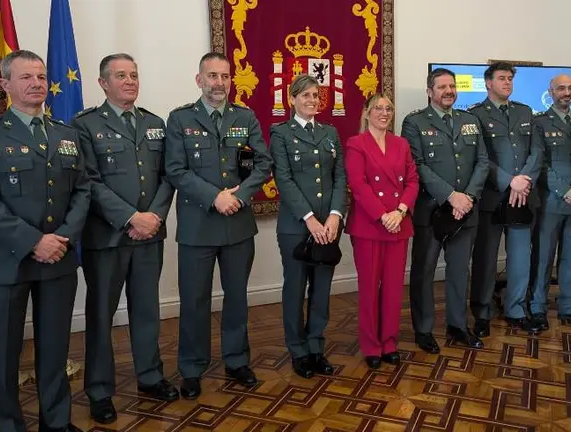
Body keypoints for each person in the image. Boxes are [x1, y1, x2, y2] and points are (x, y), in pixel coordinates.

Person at [0, 49, 89, 432]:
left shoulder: (66, 134)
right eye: (25, 77)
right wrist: (35, 241)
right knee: (3, 354)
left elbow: (83, 191)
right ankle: (8, 426)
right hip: (7, 262)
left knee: (55, 349)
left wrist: (62, 237)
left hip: (59, 259)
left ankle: (57, 421)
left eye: (40, 77)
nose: (36, 84)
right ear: (4, 84)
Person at [71, 53, 178, 424]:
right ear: (103, 83)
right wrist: (131, 217)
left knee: (147, 310)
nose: (130, 81)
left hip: (150, 234)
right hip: (107, 237)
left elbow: (168, 176)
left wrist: (154, 217)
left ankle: (150, 376)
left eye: (134, 74)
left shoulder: (154, 123)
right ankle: (100, 390)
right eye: (121, 75)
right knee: (101, 315)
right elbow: (88, 182)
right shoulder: (84, 125)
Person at [164, 52, 273, 398]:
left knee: (237, 298)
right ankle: (192, 368)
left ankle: (237, 360)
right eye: (212, 76)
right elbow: (176, 170)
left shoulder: (245, 117)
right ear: (199, 80)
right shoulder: (180, 119)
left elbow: (261, 163)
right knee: (194, 301)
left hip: (238, 226)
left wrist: (239, 196)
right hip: (198, 227)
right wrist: (215, 197)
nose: (219, 83)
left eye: (225, 77)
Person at [402, 68, 489, 351]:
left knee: (459, 271)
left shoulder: (470, 120)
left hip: (467, 211)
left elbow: (482, 162)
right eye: (442, 87)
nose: (449, 91)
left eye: (452, 86)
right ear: (430, 91)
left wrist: (468, 197)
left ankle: (457, 325)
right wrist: (451, 196)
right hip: (432, 211)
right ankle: (424, 329)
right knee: (424, 272)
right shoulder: (414, 122)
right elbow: (416, 165)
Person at [269, 74, 347, 379]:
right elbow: (284, 180)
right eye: (305, 96)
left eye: (315, 95)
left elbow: (339, 177)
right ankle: (298, 350)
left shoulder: (330, 133)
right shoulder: (281, 134)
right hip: (296, 227)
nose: (312, 101)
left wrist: (335, 215)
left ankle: (316, 346)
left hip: (328, 226)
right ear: (292, 99)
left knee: (322, 290)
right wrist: (310, 219)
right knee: (295, 288)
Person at [469, 62, 544, 335]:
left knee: (520, 258)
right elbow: (479, 158)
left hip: (523, 196)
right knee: (486, 259)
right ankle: (482, 314)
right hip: (492, 198)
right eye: (502, 78)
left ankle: (516, 310)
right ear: (488, 83)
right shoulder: (475, 115)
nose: (507, 83)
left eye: (510, 78)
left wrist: (523, 180)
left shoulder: (525, 112)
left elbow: (536, 152)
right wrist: (508, 180)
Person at [345, 93, 419, 368]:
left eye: (388, 108)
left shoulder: (401, 144)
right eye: (378, 108)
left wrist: (400, 211)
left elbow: (412, 180)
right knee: (369, 288)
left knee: (392, 288)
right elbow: (358, 184)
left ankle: (389, 342)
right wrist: (383, 215)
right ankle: (371, 346)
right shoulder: (356, 143)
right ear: (366, 112)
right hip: (369, 225)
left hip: (398, 224)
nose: (384, 112)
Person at [529, 74, 571, 330]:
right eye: (561, 88)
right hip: (550, 201)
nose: (566, 92)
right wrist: (566, 190)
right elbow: (540, 163)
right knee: (543, 257)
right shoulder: (538, 122)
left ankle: (570, 308)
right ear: (551, 92)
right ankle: (537, 308)